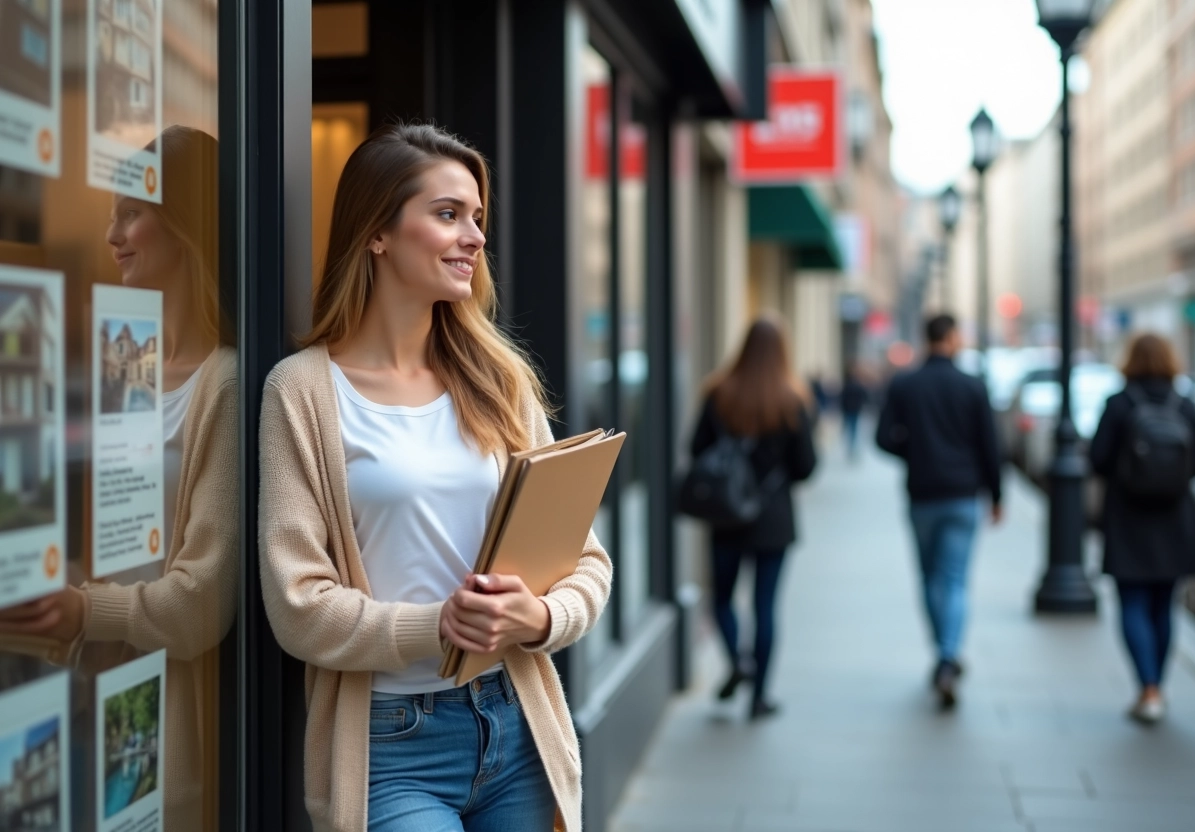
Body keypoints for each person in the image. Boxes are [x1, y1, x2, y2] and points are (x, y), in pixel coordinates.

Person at [257, 123, 611, 832]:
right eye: (448, 214)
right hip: (391, 748)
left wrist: (538, 617)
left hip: (516, 726)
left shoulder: (499, 381)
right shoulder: (301, 392)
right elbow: (298, 604)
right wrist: (435, 625)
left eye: (477, 218)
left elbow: (588, 564)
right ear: (377, 232)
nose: (475, 237)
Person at [0, 126, 237, 831]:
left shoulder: (225, 382)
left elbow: (201, 604)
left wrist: (79, 609)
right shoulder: (125, 367)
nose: (112, 235)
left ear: (187, 224)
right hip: (103, 686)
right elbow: (112, 550)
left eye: (130, 212)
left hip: (183, 706)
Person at [690, 317, 817, 720]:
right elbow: (806, 466)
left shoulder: (718, 392)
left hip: (726, 514)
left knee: (722, 599)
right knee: (766, 607)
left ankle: (738, 660)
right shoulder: (793, 399)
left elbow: (695, 449)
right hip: (773, 518)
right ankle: (760, 696)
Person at [876, 314, 1002, 710]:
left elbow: (882, 437)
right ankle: (949, 655)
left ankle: (942, 653)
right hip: (964, 494)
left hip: (923, 494)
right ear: (952, 338)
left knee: (931, 577)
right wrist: (996, 495)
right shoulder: (972, 385)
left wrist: (913, 453)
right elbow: (990, 446)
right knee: (956, 579)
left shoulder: (906, 383)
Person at [1088, 333, 1195, 725]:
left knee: (1133, 603)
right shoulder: (1185, 404)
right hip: (1175, 518)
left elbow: (1098, 459)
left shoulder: (1119, 403)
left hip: (1129, 518)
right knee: (1164, 606)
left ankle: (1148, 687)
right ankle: (1157, 685)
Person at [839, 365, 870, 461]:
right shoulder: (858, 386)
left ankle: (851, 447)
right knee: (855, 428)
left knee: (850, 428)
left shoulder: (847, 386)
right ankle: (854, 447)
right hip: (856, 409)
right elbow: (865, 396)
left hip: (848, 409)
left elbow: (842, 399)